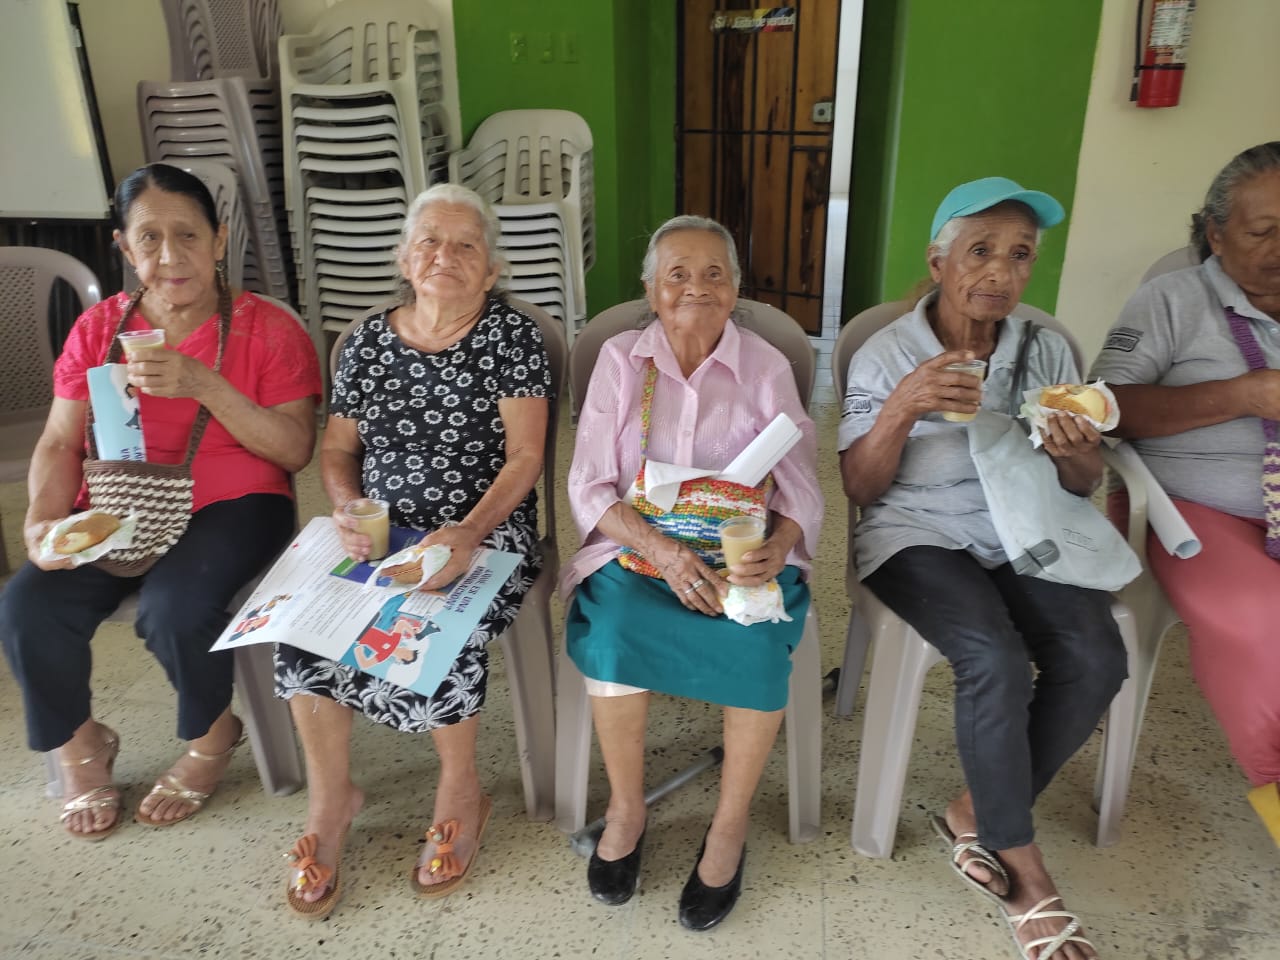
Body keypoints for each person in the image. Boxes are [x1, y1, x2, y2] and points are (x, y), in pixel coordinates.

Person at [838, 178, 1127, 960]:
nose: (1001, 271)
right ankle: (1024, 868)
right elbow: (860, 489)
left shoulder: (1045, 349)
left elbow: (1081, 484)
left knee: (1097, 655)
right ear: (939, 263)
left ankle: (974, 811)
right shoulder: (888, 352)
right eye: (981, 251)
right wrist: (901, 407)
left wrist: (1077, 453)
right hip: (917, 532)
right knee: (992, 655)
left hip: (1024, 528)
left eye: (1020, 254)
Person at [0, 162, 321, 841]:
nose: (170, 256)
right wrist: (42, 523)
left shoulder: (268, 329)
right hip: (119, 501)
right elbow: (59, 441)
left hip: (234, 502)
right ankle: (81, 743)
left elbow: (295, 450)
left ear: (219, 239)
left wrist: (205, 384)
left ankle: (213, 735)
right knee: (29, 603)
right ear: (124, 246)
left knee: (175, 608)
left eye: (188, 235)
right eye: (149, 238)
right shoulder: (98, 330)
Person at [276, 183, 550, 917]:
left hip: (484, 531)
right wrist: (346, 505)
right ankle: (332, 798)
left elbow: (526, 457)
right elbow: (338, 449)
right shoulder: (366, 342)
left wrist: (467, 531)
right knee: (302, 623)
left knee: (437, 627)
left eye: (465, 245)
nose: (444, 256)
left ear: (491, 270)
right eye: (429, 241)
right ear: (404, 258)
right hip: (378, 532)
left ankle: (461, 788)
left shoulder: (510, 338)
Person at [562, 215, 821, 930]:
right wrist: (664, 551)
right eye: (677, 274)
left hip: (738, 556)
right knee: (612, 632)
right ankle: (627, 807)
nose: (696, 288)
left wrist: (782, 542)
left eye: (714, 274)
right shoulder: (622, 360)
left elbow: (802, 486)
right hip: (640, 549)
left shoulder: (764, 366)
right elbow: (588, 486)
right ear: (651, 290)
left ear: (735, 288)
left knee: (758, 645)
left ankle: (729, 827)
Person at [1091, 142, 1280, 846]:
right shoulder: (1171, 300)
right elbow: (1103, 407)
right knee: (1265, 623)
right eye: (1263, 232)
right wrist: (1242, 396)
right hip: (1194, 508)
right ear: (1215, 233)